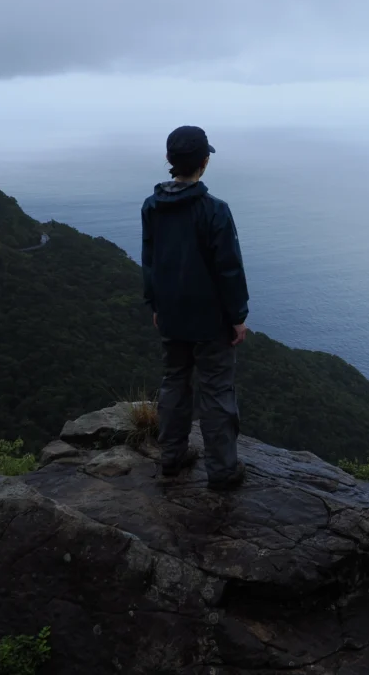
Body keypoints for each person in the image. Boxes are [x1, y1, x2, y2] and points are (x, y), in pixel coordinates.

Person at [141, 125, 250, 489]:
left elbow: (150, 262)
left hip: (171, 315)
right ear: (204, 162)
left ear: (170, 162)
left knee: (174, 382)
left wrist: (155, 304)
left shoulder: (152, 207)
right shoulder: (214, 211)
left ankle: (170, 457)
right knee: (217, 391)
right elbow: (229, 269)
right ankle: (222, 472)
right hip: (210, 321)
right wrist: (238, 317)